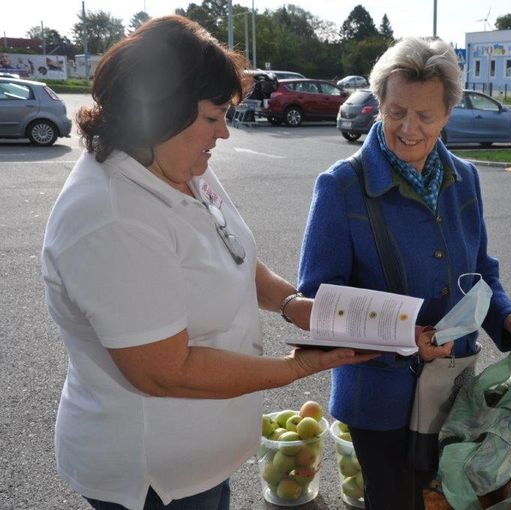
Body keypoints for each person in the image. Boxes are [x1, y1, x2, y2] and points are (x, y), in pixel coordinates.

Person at [41, 16, 375, 510]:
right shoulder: (112, 218)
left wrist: (292, 304)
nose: (224, 133)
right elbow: (164, 371)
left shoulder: (176, 166)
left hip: (201, 467)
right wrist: (295, 367)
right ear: (158, 110)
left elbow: (235, 254)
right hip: (153, 480)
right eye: (213, 116)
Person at [296, 37, 511, 510]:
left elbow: (481, 273)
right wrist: (403, 335)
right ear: (379, 106)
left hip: (452, 389)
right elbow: (319, 305)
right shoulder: (341, 187)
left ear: (449, 114)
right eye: (395, 112)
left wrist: (507, 320)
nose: (408, 129)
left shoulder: (464, 179)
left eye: (425, 116)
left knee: (450, 500)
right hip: (379, 400)